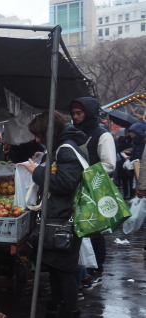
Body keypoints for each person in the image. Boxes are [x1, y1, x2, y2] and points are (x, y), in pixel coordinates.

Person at [19, 111, 86, 318]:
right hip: (58, 218)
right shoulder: (61, 147)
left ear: (49, 131)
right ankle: (53, 317)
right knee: (56, 270)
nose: (37, 139)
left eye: (39, 134)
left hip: (64, 220)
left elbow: (65, 183)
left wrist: (36, 171)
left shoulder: (66, 148)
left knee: (64, 271)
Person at [70, 97, 117, 285]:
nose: (75, 117)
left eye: (79, 113)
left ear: (89, 113)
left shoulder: (103, 135)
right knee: (80, 230)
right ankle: (84, 269)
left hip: (94, 188)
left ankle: (97, 268)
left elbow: (109, 164)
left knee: (94, 230)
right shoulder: (74, 132)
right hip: (76, 188)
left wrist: (84, 173)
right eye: (73, 113)